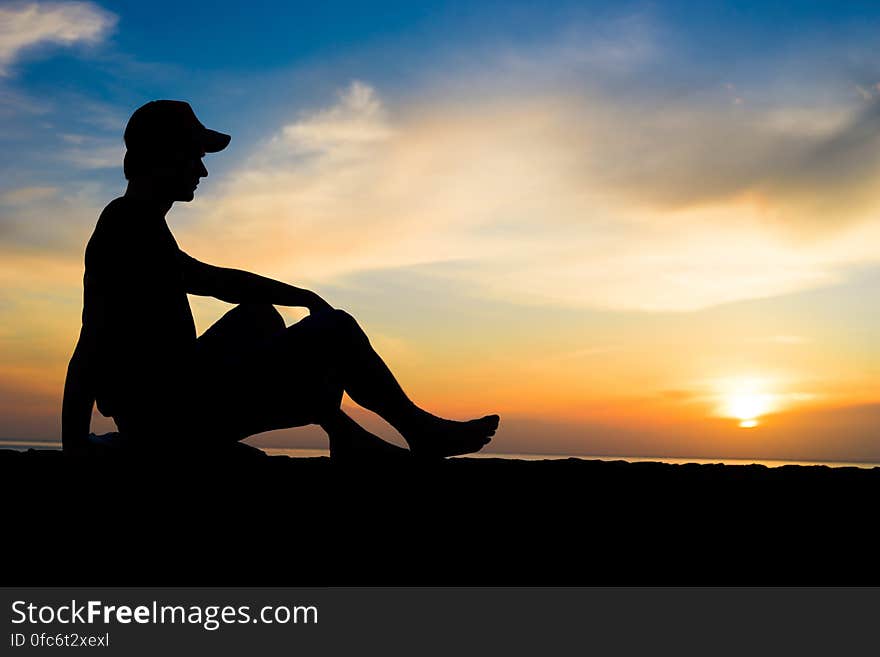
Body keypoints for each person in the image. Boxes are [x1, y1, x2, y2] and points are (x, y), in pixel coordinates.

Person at [61, 100, 499, 460]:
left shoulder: (138, 223)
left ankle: (346, 433)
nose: (203, 170)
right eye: (195, 155)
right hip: (168, 417)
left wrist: (292, 297)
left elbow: (206, 279)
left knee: (258, 317)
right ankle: (417, 431)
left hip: (173, 400)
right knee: (335, 328)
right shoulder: (127, 225)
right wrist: (75, 443)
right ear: (166, 154)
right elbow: (98, 337)